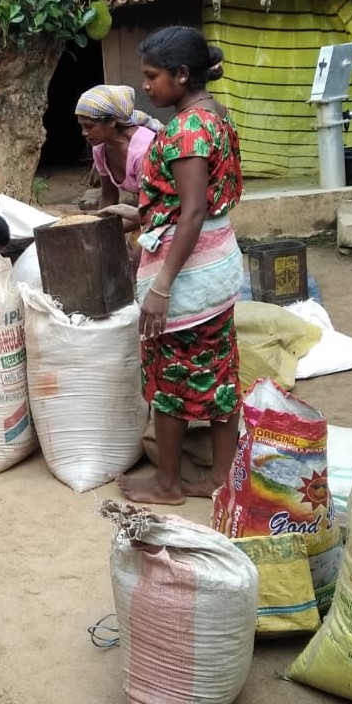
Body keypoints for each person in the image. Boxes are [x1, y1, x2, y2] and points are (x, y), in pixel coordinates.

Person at [115, 26, 245, 506]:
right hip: (218, 269)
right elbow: (195, 201)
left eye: (152, 77)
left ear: (182, 74)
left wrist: (162, 286)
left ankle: (167, 483)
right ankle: (221, 478)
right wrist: (140, 212)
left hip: (189, 280)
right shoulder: (214, 116)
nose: (146, 87)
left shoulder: (187, 129)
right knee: (219, 374)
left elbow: (192, 211)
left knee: (169, 378)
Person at [75, 84, 163, 211]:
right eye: (82, 126)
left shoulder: (143, 151)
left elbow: (153, 211)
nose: (84, 133)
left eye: (89, 126)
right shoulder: (100, 148)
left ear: (112, 121)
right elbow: (108, 196)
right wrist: (100, 226)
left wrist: (108, 229)